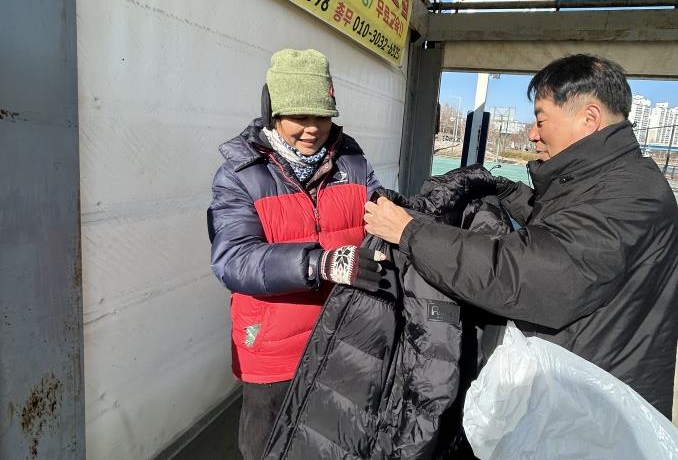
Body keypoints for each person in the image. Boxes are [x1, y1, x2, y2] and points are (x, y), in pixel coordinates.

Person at [364, 53, 678, 417]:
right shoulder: (617, 181)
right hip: (581, 396)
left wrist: (410, 232)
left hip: (588, 417)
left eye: (541, 119)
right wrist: (506, 191)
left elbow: (521, 272)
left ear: (589, 118)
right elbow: (566, 228)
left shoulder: (629, 199)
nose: (532, 134)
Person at [207, 48, 383, 460]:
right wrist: (321, 263)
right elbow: (233, 259)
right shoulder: (239, 174)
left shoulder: (353, 162)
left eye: (322, 115)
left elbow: (381, 213)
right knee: (268, 448)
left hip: (344, 340)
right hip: (273, 350)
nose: (312, 129)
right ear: (272, 111)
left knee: (335, 443)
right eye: (299, 116)